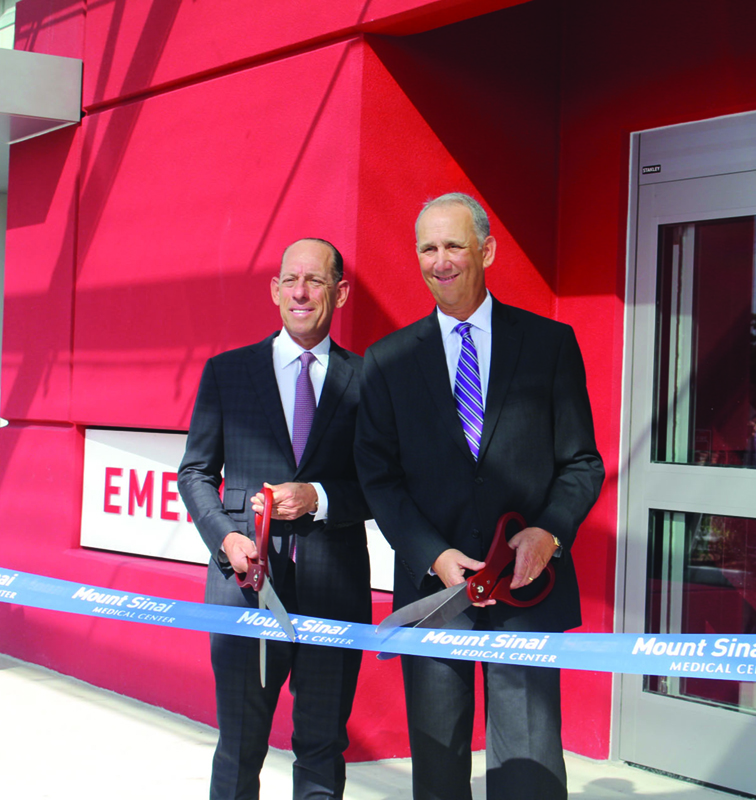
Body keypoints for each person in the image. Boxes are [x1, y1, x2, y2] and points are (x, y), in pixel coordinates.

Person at [355, 193, 604, 800]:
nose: (441, 261)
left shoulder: (550, 344)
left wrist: (550, 531)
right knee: (438, 773)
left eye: (454, 245)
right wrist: (433, 556)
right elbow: (378, 477)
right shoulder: (387, 361)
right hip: (435, 591)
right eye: (428, 248)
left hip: (527, 589)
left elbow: (582, 463)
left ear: (486, 250)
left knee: (529, 772)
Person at [178, 239, 371, 800]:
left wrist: (319, 496)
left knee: (321, 748)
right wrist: (227, 539)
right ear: (274, 291)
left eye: (315, 280)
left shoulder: (368, 380)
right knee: (239, 747)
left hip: (334, 592)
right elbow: (195, 474)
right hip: (244, 591)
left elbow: (382, 489)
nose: (301, 292)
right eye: (290, 280)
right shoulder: (227, 373)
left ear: (339, 292)